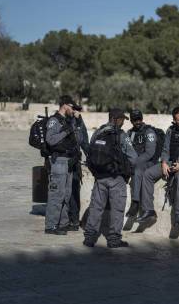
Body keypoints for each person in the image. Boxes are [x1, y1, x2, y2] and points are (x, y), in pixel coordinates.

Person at [136, 107, 179, 239]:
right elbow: (165, 149)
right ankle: (148, 210)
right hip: (171, 162)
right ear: (174, 120)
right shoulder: (170, 131)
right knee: (147, 174)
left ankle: (178, 215)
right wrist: (164, 162)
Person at [83, 108, 138, 248]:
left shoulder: (98, 132)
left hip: (100, 177)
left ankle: (89, 238)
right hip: (116, 178)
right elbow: (134, 158)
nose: (123, 123)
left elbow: (90, 153)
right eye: (122, 120)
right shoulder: (121, 135)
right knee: (117, 209)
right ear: (116, 119)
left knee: (96, 207)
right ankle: (113, 240)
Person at [44, 95, 82, 235]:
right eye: (72, 107)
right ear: (65, 105)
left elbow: (79, 139)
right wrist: (66, 132)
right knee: (56, 195)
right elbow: (50, 140)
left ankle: (63, 223)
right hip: (59, 161)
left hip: (69, 162)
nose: (73, 110)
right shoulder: (54, 121)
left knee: (66, 194)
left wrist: (77, 122)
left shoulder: (69, 121)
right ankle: (51, 225)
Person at [125, 109, 158, 219]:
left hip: (149, 162)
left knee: (138, 170)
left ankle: (135, 203)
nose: (137, 122)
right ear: (131, 121)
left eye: (139, 119)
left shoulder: (149, 132)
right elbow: (126, 149)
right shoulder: (130, 133)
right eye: (135, 120)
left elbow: (150, 153)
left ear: (142, 119)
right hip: (134, 162)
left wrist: (134, 162)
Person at [66, 108, 89, 231]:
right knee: (62, 192)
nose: (76, 111)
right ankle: (64, 219)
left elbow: (84, 142)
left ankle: (74, 221)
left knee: (74, 192)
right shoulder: (62, 120)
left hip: (75, 162)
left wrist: (91, 158)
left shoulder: (78, 121)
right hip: (63, 160)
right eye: (74, 109)